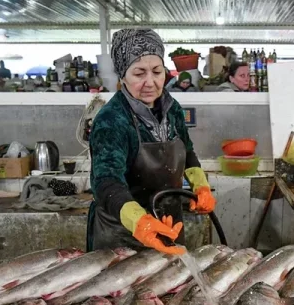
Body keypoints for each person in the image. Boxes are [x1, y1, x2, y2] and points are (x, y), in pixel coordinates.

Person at [87, 28, 216, 255]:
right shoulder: (112, 119)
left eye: (157, 72)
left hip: (169, 226)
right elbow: (106, 182)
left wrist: (201, 185)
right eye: (139, 74)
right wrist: (139, 222)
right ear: (122, 75)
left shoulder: (172, 107)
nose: (151, 82)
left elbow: (187, 151)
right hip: (123, 237)